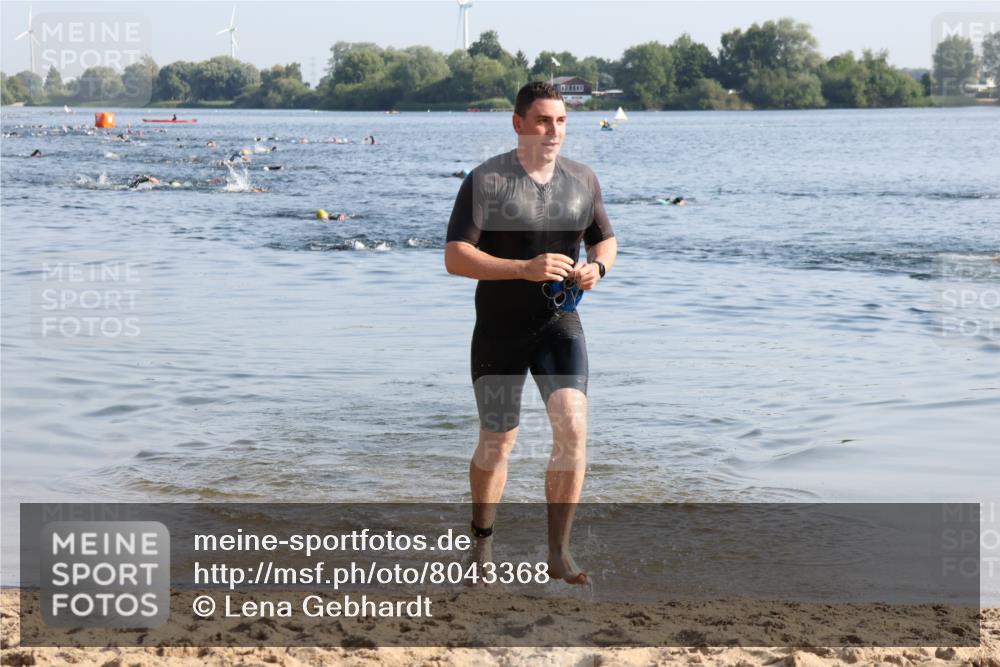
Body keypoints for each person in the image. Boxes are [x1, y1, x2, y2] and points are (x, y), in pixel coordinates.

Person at [445, 81, 617, 586]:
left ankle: (558, 552)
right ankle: (481, 544)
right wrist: (523, 268)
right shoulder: (486, 181)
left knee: (573, 427)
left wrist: (597, 270)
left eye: (561, 121)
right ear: (518, 123)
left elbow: (606, 241)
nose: (553, 131)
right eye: (543, 120)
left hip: (558, 323)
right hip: (499, 328)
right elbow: (456, 257)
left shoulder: (583, 180)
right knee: (498, 443)